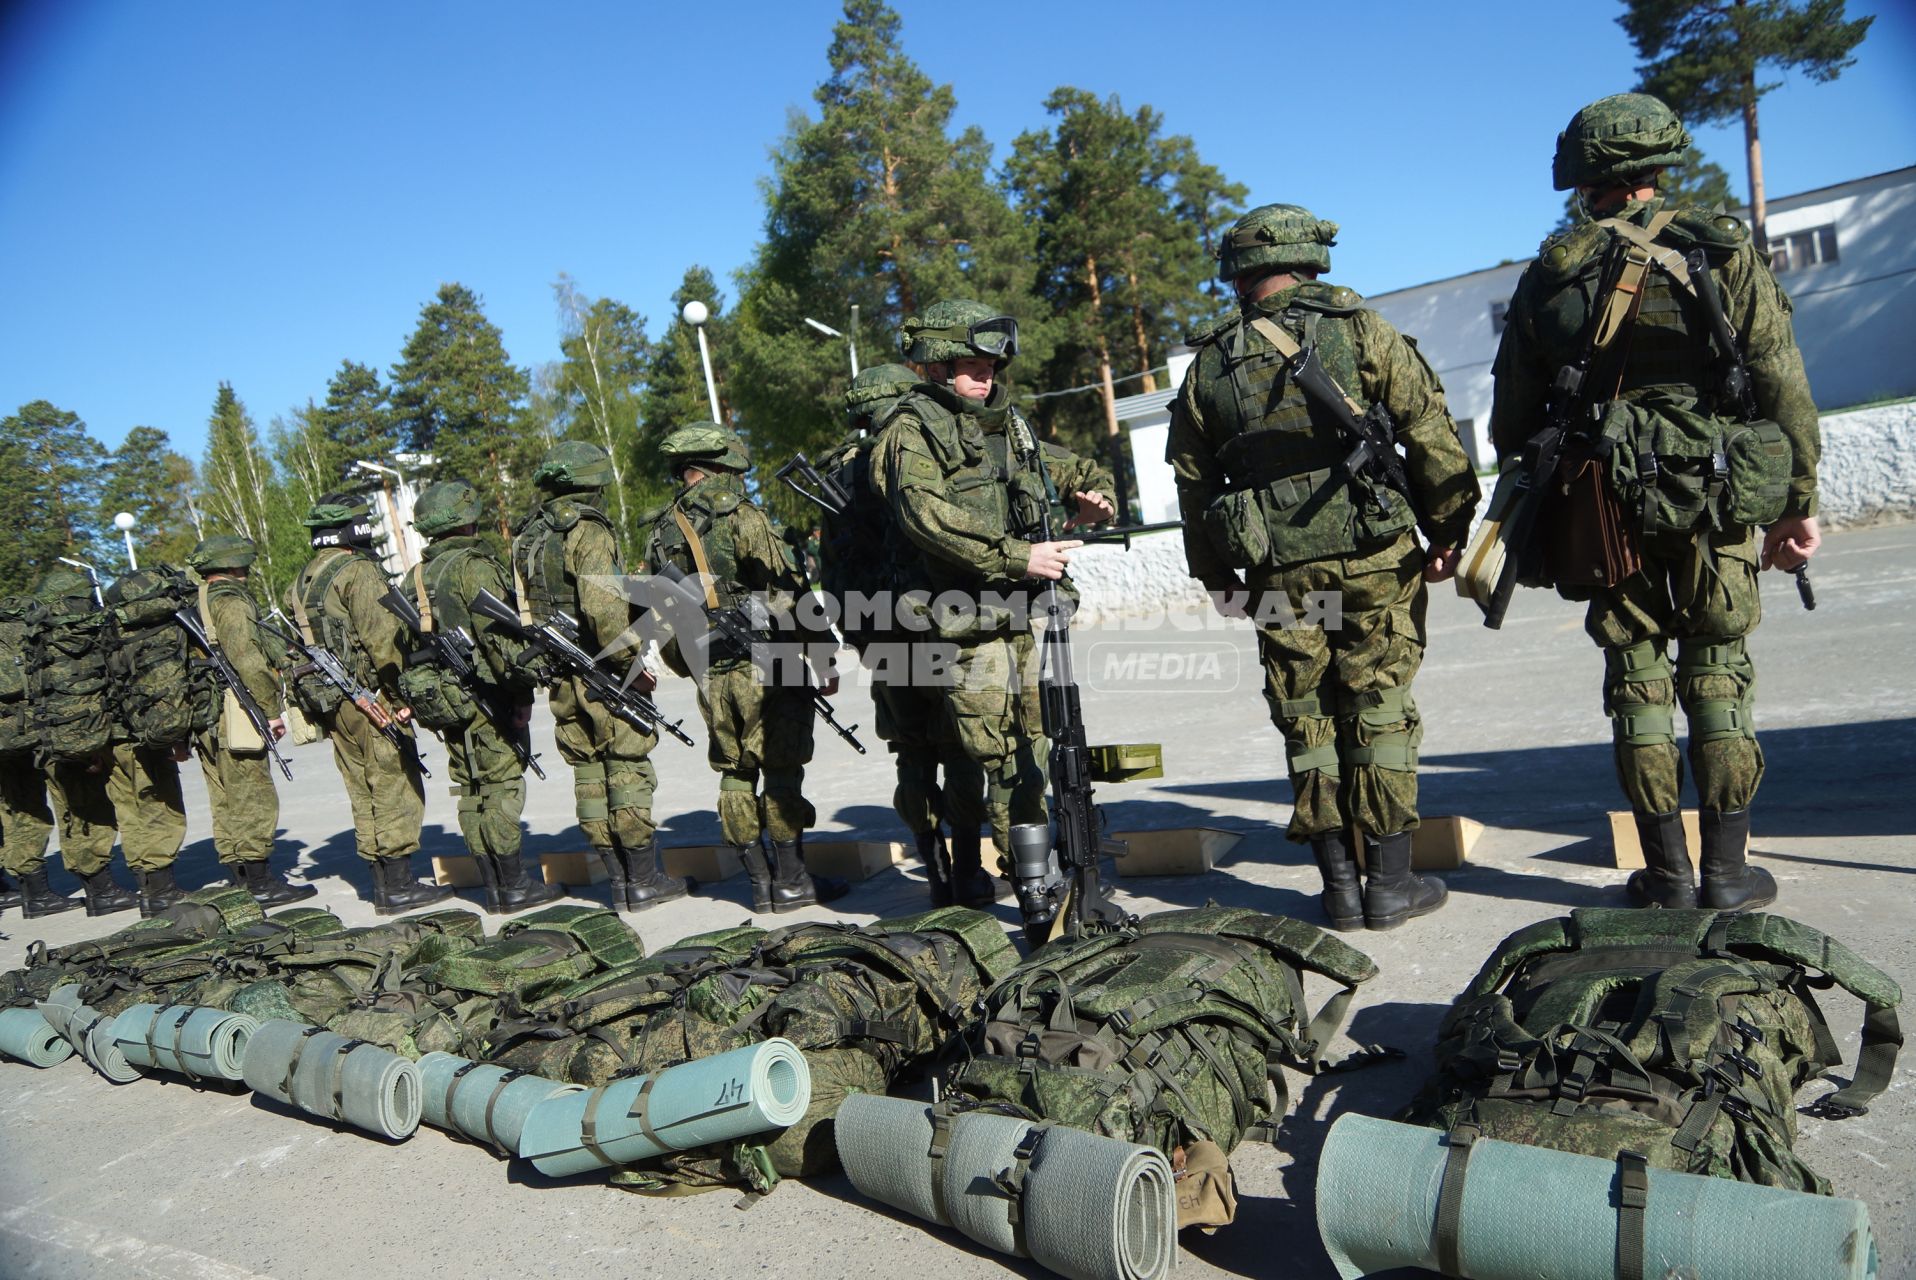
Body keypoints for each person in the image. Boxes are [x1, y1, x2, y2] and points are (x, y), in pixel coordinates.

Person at [1488, 93, 1820, 913]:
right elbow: (1782, 383)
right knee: (1719, 673)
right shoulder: (1720, 250)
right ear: (1660, 161)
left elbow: (1514, 418)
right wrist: (1796, 501)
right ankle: (1729, 874)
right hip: (1718, 493)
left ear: (1581, 175)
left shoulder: (1552, 275)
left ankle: (1667, 874)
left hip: (1604, 500)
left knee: (1635, 678)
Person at [1167, 203, 1480, 932]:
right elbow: (1430, 433)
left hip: (1274, 568)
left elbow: (1194, 480)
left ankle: (1339, 888)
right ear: (1312, 257)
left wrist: (1217, 573)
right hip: (1373, 554)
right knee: (1377, 702)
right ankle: (1390, 887)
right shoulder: (1358, 327)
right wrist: (1447, 528)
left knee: (1306, 712)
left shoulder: (1210, 360)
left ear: (1239, 275)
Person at [876, 299, 1114, 890]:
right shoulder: (910, 431)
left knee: (1037, 742)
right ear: (933, 365)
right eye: (971, 363)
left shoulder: (1010, 424)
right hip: (964, 627)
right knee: (1003, 753)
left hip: (1022, 618)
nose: (986, 374)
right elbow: (926, 515)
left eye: (991, 363)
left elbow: (1074, 468)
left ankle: (1041, 873)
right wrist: (1019, 556)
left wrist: (1097, 499)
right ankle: (1031, 883)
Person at [646, 424, 849, 915]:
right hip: (766, 662)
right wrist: (821, 653)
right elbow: (788, 592)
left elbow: (664, 606)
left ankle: (758, 883)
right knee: (780, 767)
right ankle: (792, 879)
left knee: (735, 773)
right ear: (721, 467)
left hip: (709, 672)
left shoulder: (660, 529)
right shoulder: (742, 515)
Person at [816, 363, 992, 906]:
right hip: (937, 623)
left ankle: (936, 872)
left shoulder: (833, 473)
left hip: (881, 636)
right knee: (962, 748)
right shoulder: (916, 449)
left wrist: (858, 636)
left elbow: (833, 572)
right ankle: (967, 870)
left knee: (912, 754)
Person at [514, 440, 685, 912]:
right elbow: (602, 606)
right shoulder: (585, 529)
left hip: (563, 675)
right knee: (626, 768)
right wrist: (632, 663)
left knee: (588, 774)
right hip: (602, 669)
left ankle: (617, 882)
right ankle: (644, 881)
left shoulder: (529, 535)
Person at [404, 480, 562, 915]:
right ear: (467, 518)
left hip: (445, 701)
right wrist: (521, 695)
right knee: (500, 787)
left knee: (470, 790)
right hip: (484, 696)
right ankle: (514, 886)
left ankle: (494, 885)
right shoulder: (472, 566)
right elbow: (500, 644)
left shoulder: (416, 575)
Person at [286, 494, 449, 915]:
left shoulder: (304, 578)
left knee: (362, 785)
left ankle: (381, 881)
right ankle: (398, 886)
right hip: (369, 696)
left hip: (331, 699)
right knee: (393, 780)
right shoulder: (356, 571)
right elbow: (383, 639)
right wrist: (399, 697)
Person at [185, 534, 315, 905]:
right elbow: (250, 662)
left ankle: (239, 877)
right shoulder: (230, 602)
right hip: (231, 708)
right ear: (235, 565)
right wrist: (271, 710)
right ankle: (260, 883)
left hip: (203, 710)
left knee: (224, 795)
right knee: (253, 793)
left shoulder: (196, 600)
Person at [32, 568, 140, 916]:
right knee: (90, 810)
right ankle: (102, 891)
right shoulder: (80, 635)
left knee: (69, 811)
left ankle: (95, 887)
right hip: (85, 737)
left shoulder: (34, 637)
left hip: (48, 736)